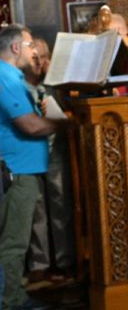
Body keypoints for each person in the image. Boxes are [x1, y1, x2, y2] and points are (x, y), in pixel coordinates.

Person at [0, 24, 70, 309]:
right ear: (16, 47)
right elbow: (29, 125)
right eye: (30, 46)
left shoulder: (11, 76)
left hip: (21, 168)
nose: (34, 53)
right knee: (13, 241)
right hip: (16, 171)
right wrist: (65, 124)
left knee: (13, 239)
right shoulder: (5, 77)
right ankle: (11, 300)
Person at [23, 38, 75, 283]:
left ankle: (66, 260)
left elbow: (71, 112)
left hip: (56, 152)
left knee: (61, 207)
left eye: (42, 57)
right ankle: (39, 263)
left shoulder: (56, 85)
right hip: (30, 153)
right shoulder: (19, 84)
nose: (38, 62)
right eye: (34, 57)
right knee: (37, 210)